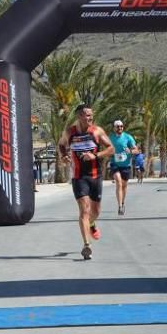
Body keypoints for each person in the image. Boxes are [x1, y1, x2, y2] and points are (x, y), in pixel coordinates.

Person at [59, 104, 114, 260]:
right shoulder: (70, 132)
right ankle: (86, 245)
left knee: (95, 212)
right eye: (86, 115)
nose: (90, 118)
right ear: (79, 116)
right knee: (84, 210)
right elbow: (62, 145)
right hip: (79, 177)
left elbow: (111, 149)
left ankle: (91, 224)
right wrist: (64, 156)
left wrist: (95, 156)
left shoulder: (97, 131)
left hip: (95, 176)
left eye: (91, 115)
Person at [108, 119, 137, 215]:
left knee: (124, 186)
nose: (120, 128)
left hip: (126, 165)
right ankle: (120, 206)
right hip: (114, 164)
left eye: (121, 126)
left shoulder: (128, 137)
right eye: (118, 126)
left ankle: (123, 203)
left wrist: (131, 151)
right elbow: (107, 149)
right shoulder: (110, 138)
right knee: (119, 183)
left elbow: (136, 150)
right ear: (114, 128)